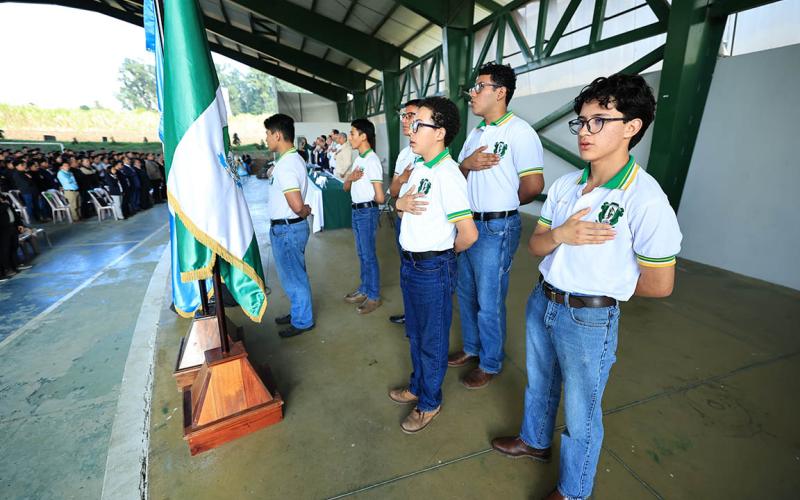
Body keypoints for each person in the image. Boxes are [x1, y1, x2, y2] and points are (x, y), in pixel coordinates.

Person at [490, 74, 683, 500]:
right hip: (544, 299)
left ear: (632, 127)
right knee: (539, 382)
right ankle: (534, 441)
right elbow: (536, 246)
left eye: (599, 120)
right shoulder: (566, 186)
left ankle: (574, 490)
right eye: (581, 121)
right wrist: (562, 235)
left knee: (581, 412)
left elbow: (660, 283)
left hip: (590, 317)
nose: (585, 132)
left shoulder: (645, 199)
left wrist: (601, 285)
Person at [449, 62, 545, 389]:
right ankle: (472, 347)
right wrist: (467, 164)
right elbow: (457, 176)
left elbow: (533, 185)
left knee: (489, 300)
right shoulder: (476, 133)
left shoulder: (519, 132)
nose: (472, 94)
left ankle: (490, 362)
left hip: (496, 228)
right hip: (468, 225)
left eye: (479, 87)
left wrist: (501, 205)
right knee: (465, 292)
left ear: (500, 92)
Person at [390, 96, 478, 433]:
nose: (411, 130)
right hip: (410, 264)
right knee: (415, 333)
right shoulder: (421, 168)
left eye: (419, 124)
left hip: (431, 267)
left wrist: (444, 256)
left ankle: (429, 402)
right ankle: (417, 386)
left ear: (439, 132)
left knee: (432, 339)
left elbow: (468, 234)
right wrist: (399, 201)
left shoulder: (447, 174)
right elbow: (400, 208)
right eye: (411, 124)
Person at [264, 114, 315, 338]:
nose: (266, 139)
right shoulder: (289, 160)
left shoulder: (287, 165)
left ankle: (303, 321)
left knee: (294, 277)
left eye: (268, 134)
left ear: (277, 135)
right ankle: (298, 312)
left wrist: (305, 211)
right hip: (288, 228)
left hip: (287, 228)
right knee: (292, 275)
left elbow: (296, 205)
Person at [343, 118, 384, 314]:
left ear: (363, 136)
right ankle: (365, 289)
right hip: (356, 210)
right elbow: (345, 187)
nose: (349, 137)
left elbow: (380, 196)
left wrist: (373, 205)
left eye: (352, 133)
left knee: (368, 255)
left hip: (367, 211)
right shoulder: (359, 159)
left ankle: (373, 295)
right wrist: (350, 178)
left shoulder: (372, 161)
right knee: (362, 253)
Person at [387, 98, 422, 325]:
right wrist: (403, 179)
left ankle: (419, 320)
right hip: (403, 220)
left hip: (421, 222)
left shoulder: (429, 152)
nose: (404, 120)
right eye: (403, 115)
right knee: (407, 272)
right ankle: (411, 315)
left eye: (410, 115)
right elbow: (393, 190)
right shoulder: (403, 154)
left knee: (422, 274)